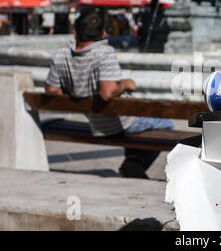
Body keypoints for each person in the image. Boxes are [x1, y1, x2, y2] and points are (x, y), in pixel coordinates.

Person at [45, 12, 174, 179]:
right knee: (167, 124)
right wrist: (126, 83)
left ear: (75, 33)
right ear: (104, 34)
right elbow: (107, 93)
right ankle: (134, 163)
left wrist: (75, 92)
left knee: (141, 118)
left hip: (95, 122)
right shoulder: (104, 53)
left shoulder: (61, 55)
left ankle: (132, 162)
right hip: (118, 124)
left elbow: (51, 90)